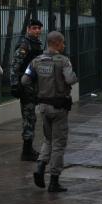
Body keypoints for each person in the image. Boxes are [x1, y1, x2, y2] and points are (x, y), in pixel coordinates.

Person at [21, 31, 77, 192]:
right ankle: (54, 180)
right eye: (63, 43)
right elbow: (70, 79)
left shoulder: (36, 61)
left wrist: (36, 91)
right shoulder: (63, 61)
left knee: (48, 139)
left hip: (43, 107)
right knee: (59, 143)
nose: (64, 46)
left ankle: (40, 166)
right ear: (58, 43)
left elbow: (25, 80)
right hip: (59, 107)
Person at [10, 19, 43, 161]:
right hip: (25, 87)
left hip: (33, 87)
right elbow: (15, 66)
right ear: (28, 29)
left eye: (39, 28)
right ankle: (26, 151)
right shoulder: (25, 45)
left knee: (31, 118)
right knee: (29, 118)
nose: (37, 30)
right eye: (34, 28)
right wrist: (15, 85)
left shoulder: (35, 44)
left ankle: (28, 149)